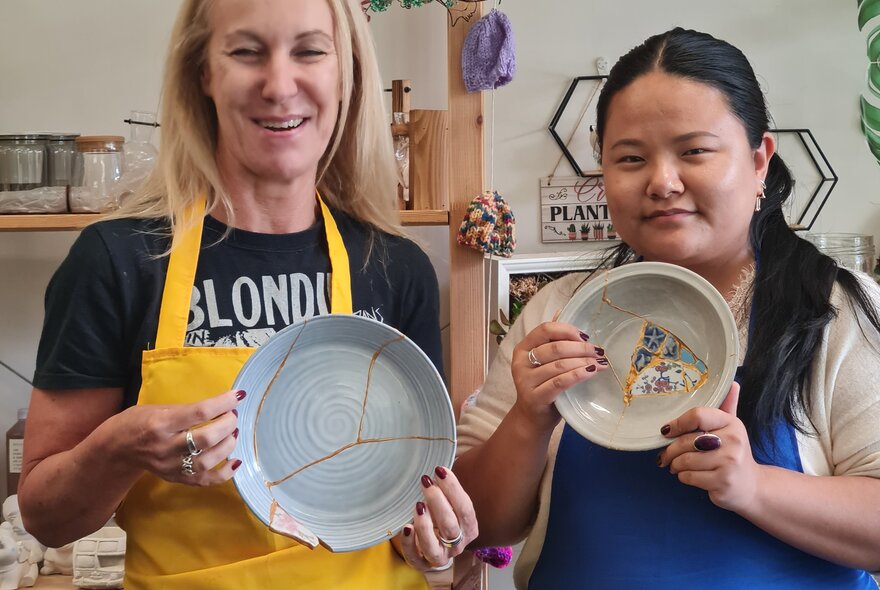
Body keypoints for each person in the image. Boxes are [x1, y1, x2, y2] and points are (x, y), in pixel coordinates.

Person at [18, 1, 476, 588]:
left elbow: (409, 511)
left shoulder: (396, 267)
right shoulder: (116, 261)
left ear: (346, 72)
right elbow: (45, 518)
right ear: (203, 74)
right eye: (246, 52)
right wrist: (122, 446)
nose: (279, 85)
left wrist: (435, 542)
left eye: (309, 50)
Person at [454, 27, 880, 589]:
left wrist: (753, 487)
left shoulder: (833, 308)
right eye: (630, 158)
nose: (662, 182)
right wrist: (529, 421)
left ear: (759, 161)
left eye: (694, 151)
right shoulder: (559, 311)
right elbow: (475, 523)